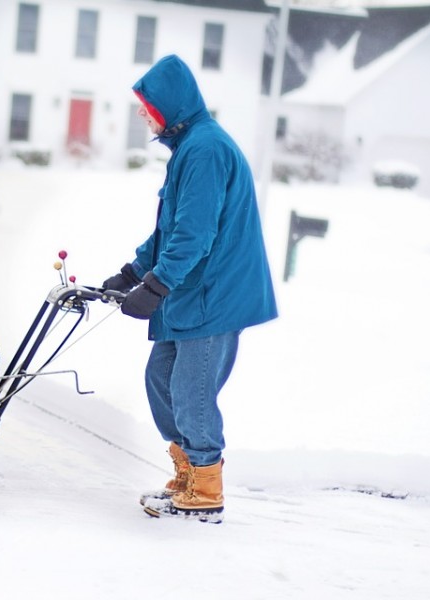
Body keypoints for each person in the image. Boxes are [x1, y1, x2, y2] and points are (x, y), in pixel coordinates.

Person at [102, 54, 277, 523]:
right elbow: (172, 227)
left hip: (215, 293)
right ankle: (187, 475)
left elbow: (194, 235)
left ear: (171, 105)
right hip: (194, 287)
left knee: (191, 390)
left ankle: (205, 492)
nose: (142, 113)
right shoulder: (190, 147)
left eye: (147, 104)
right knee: (161, 379)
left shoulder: (205, 150)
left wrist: (156, 285)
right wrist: (133, 270)